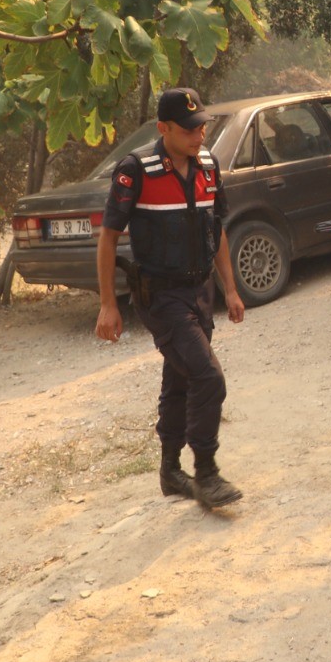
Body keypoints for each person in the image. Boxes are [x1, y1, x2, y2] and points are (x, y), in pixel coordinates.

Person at [94, 87, 245, 511]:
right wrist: (108, 303)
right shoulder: (135, 170)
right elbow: (108, 238)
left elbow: (216, 231)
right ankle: (207, 473)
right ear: (164, 129)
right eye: (190, 129)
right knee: (208, 377)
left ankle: (170, 471)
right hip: (161, 296)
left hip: (200, 291)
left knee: (181, 377)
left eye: (202, 127)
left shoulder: (209, 166)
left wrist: (230, 289)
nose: (199, 136)